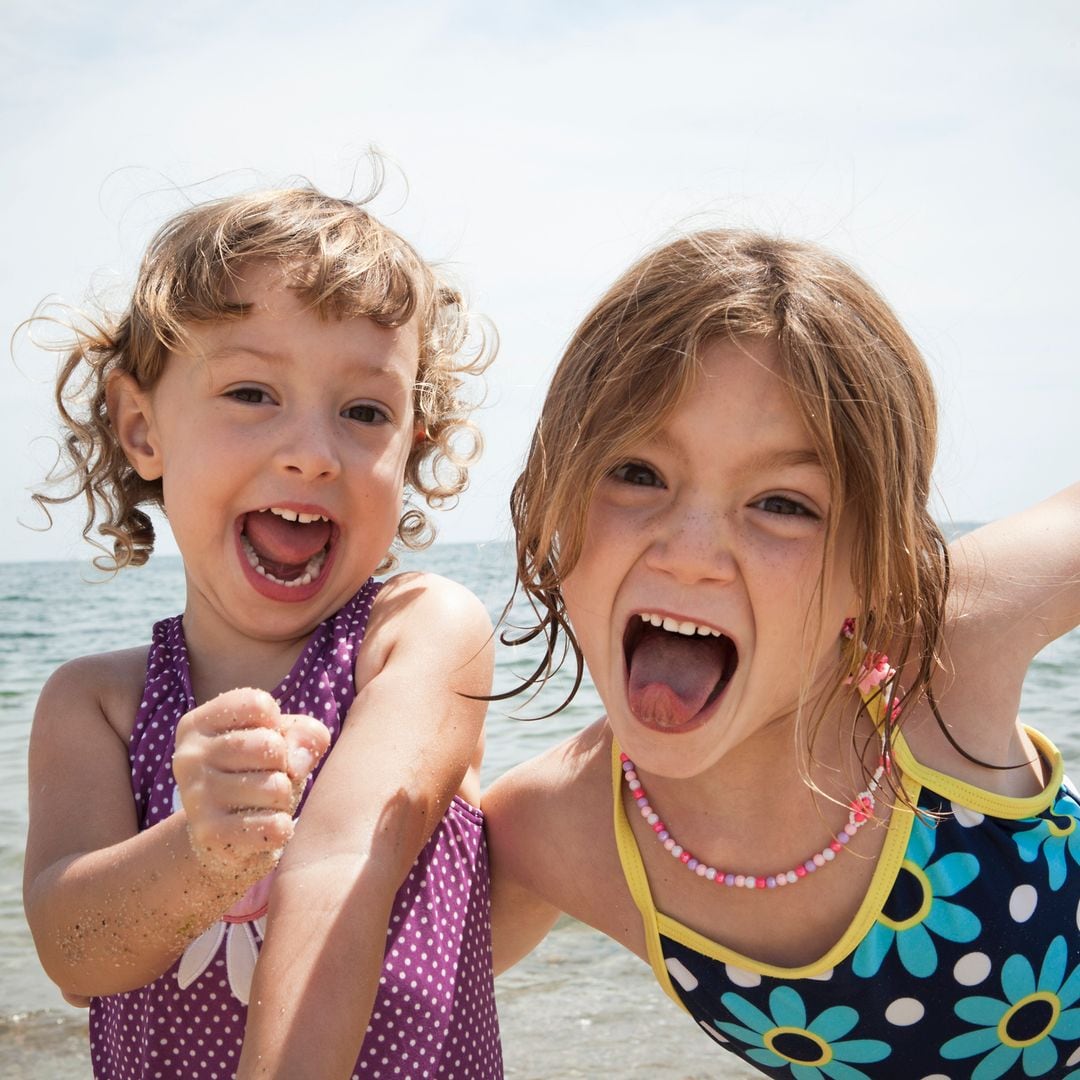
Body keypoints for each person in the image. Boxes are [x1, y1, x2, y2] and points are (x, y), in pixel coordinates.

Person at [485, 229, 1080, 1078]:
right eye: (637, 472)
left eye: (781, 503)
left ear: (877, 563)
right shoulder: (555, 828)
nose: (690, 551)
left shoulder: (942, 652)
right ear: (552, 498)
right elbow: (388, 998)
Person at [23, 187, 503, 1080]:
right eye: (251, 392)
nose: (313, 451)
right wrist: (199, 850)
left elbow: (340, 861)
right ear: (141, 428)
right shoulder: (96, 707)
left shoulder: (422, 636)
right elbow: (76, 954)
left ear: (412, 446)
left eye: (365, 412)